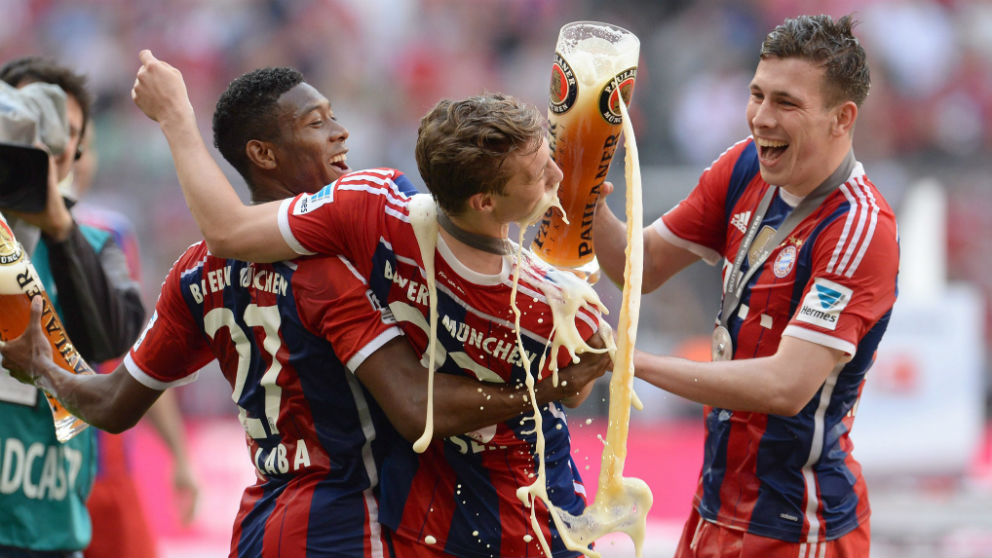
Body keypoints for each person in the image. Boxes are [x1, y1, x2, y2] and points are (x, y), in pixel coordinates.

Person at [3, 65, 608, 558]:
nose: (340, 134)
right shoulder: (332, 262)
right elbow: (412, 406)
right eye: (318, 124)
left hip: (259, 525)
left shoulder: (192, 274)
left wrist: (45, 368)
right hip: (351, 526)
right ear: (263, 153)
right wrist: (542, 388)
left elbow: (111, 405)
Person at [593, 14, 898, 557]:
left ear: (841, 119)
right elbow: (636, 269)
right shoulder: (742, 169)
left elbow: (786, 387)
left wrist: (633, 365)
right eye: (756, 94)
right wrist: (582, 187)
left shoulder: (858, 228)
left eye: (786, 102)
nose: (761, 117)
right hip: (715, 508)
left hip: (799, 528)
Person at [0, 57, 146, 558]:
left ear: (77, 151)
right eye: (25, 127)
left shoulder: (98, 243)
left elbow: (112, 340)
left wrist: (59, 228)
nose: (43, 147)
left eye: (62, 135)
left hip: (54, 528)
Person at [70, 126, 199, 558]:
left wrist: (179, 457)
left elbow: (139, 355)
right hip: (26, 477)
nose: (72, 158)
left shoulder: (111, 235)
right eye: (58, 144)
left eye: (81, 145)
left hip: (109, 477)